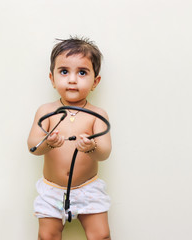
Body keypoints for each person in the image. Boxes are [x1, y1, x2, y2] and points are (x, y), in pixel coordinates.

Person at [27, 36, 112, 240]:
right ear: (52, 78)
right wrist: (47, 143)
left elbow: (105, 153)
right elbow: (33, 147)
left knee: (101, 235)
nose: (72, 79)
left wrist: (92, 147)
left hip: (87, 188)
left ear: (95, 82)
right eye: (64, 72)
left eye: (82, 73)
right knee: (47, 236)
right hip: (52, 190)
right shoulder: (46, 111)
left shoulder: (97, 114)